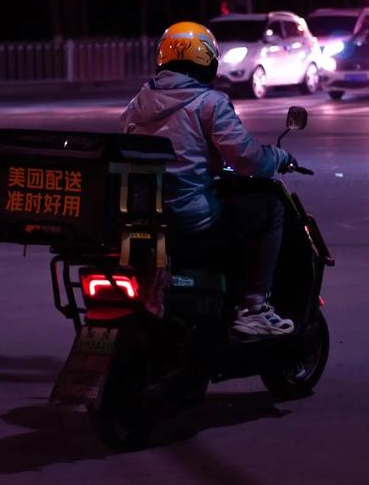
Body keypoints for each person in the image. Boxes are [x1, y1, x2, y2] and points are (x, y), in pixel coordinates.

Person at [121, 20, 297, 337]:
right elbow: (248, 159)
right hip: (190, 220)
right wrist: (279, 156)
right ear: (207, 60)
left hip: (146, 219)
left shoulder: (137, 104)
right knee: (271, 207)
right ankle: (253, 307)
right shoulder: (210, 103)